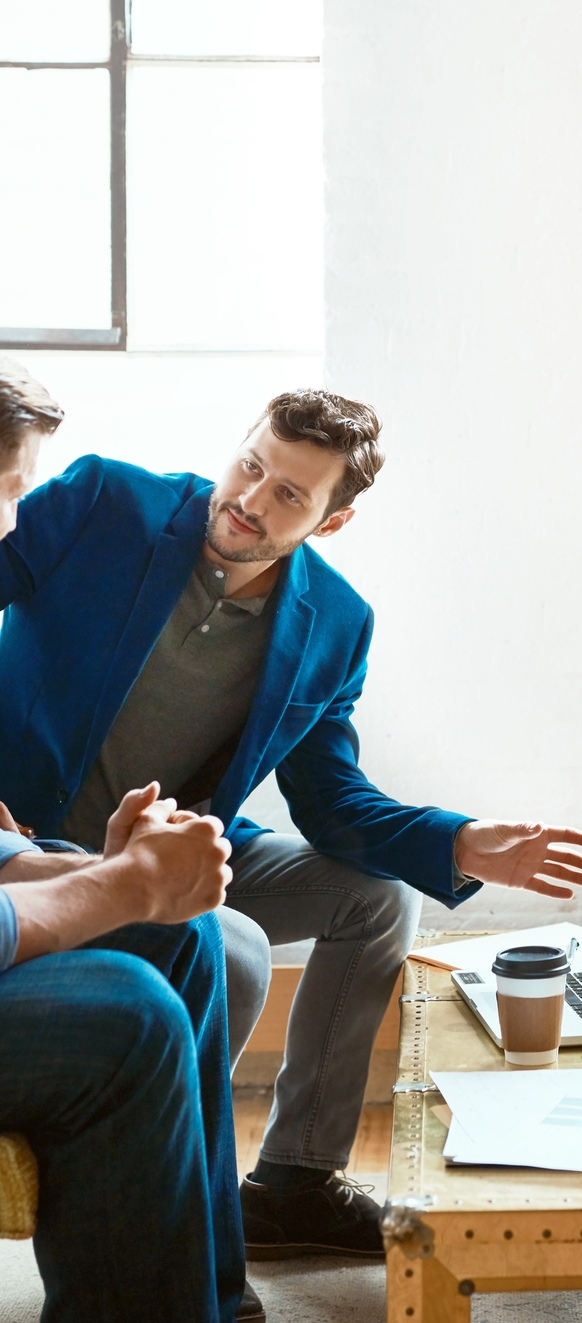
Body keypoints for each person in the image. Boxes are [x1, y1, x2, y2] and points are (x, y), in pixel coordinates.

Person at [0, 365, 582, 1259]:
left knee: (377, 896)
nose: (247, 499)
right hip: (31, 841)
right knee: (234, 949)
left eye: (287, 494)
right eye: (248, 465)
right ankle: (167, 1199)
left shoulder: (336, 622)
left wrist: (462, 841)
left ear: (333, 519)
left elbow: (331, 801)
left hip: (181, 852)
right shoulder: (107, 502)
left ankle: (292, 1182)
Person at [0, 364, 264, 1322]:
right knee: (129, 1009)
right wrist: (114, 886)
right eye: (10, 490)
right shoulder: (115, 501)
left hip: (45, 849)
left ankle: (212, 1299)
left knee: (190, 937)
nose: (11, 521)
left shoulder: (334, 619)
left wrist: (91, 871)